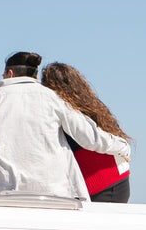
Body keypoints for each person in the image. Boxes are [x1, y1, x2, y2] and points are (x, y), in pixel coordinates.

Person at [0, 51, 129, 200]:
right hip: (53, 188)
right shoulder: (53, 98)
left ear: (10, 74)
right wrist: (122, 146)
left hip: (1, 188)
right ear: (36, 76)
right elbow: (90, 137)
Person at [40, 62, 132, 203]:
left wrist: (123, 148)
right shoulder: (91, 106)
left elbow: (93, 140)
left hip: (102, 183)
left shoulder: (66, 110)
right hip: (115, 181)